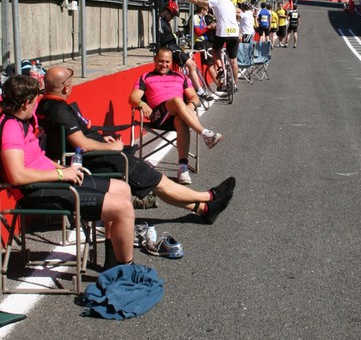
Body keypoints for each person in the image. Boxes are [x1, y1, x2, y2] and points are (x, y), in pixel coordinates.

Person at [36, 66, 234, 224]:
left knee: (152, 179)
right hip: (93, 160)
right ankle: (209, 196)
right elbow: (81, 143)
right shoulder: (59, 110)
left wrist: (102, 140)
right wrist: (110, 147)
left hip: (94, 154)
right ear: (65, 88)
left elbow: (79, 137)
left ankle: (205, 209)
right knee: (156, 180)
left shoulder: (46, 105)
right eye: (70, 81)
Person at [0, 75, 135, 270]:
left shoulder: (23, 122)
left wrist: (63, 169)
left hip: (53, 181)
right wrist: (63, 175)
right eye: (34, 102)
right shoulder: (11, 128)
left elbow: (37, 158)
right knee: (122, 207)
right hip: (38, 191)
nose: (36, 106)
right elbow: (17, 176)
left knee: (123, 189)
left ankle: (112, 262)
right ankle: (126, 269)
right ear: (25, 104)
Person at [129, 48, 223, 184]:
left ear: (171, 62)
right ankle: (205, 134)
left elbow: (194, 97)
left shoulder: (181, 77)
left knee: (182, 120)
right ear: (155, 60)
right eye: (161, 61)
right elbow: (133, 98)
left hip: (177, 115)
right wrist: (142, 104)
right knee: (177, 100)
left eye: (167, 61)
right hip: (157, 116)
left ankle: (182, 168)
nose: (164, 64)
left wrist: (190, 106)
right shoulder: (146, 77)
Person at [184, 0, 240, 89]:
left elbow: (198, 1)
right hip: (234, 33)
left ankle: (220, 69)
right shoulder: (230, 3)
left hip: (223, 32)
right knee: (233, 61)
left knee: (215, 50)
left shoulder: (217, 1)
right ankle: (234, 85)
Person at [157, 0, 213, 103]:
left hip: (174, 46)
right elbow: (161, 39)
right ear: (166, 11)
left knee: (189, 67)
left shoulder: (165, 21)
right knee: (191, 65)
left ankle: (190, 91)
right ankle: (199, 91)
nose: (172, 18)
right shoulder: (160, 21)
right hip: (169, 49)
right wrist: (175, 35)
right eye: (172, 15)